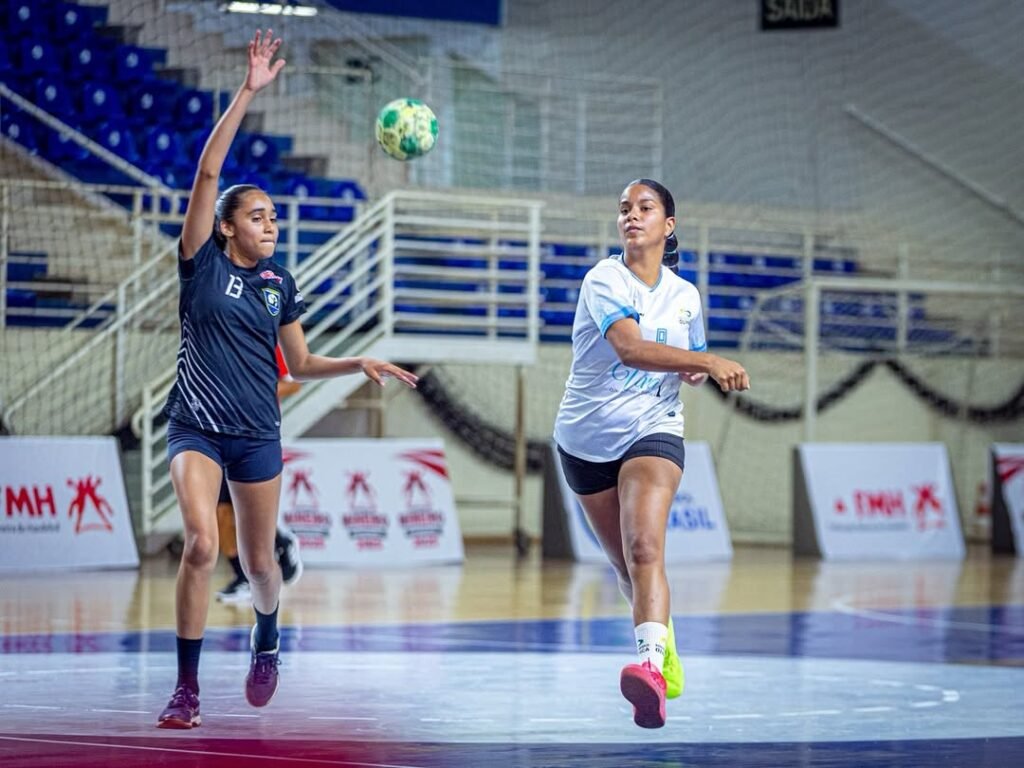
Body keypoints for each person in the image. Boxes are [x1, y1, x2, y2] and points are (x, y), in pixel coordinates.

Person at [157, 29, 418, 729]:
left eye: (273, 216)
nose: (269, 223)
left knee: (261, 565)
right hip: (194, 426)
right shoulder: (201, 263)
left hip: (256, 434)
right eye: (257, 215)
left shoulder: (280, 283)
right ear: (226, 227)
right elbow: (208, 174)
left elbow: (299, 364)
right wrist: (248, 91)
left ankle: (267, 636)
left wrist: (356, 361)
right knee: (200, 544)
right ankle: (186, 690)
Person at [553, 179, 749, 729]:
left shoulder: (686, 297)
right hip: (585, 438)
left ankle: (649, 669)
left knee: (644, 549)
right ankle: (665, 646)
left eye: (644, 208)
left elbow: (688, 364)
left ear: (669, 224)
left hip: (653, 428)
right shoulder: (604, 278)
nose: (631, 216)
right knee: (624, 565)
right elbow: (631, 349)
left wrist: (696, 369)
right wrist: (706, 362)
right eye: (624, 209)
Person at [217, 346, 303, 604]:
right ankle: (243, 574)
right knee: (221, 513)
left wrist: (254, 394)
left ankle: (278, 545)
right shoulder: (216, 344)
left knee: (247, 511)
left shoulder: (266, 343)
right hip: (219, 434)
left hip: (255, 435)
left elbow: (293, 384)